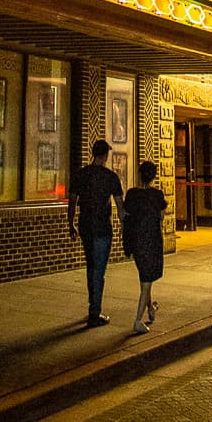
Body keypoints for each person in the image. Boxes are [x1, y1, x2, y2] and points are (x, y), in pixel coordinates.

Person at [68, 138, 125, 326]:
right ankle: (95, 312)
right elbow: (120, 207)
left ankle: (92, 305)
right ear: (106, 155)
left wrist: (71, 223)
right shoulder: (111, 177)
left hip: (85, 225)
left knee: (91, 267)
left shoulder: (81, 174)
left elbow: (73, 201)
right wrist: (126, 227)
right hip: (102, 228)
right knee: (98, 270)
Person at [122, 160, 167, 333]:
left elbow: (126, 215)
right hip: (152, 241)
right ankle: (138, 320)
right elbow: (161, 217)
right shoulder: (157, 195)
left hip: (135, 241)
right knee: (147, 281)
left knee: (145, 278)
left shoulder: (132, 194)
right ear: (153, 176)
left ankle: (150, 309)